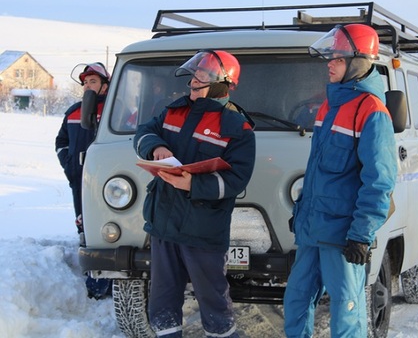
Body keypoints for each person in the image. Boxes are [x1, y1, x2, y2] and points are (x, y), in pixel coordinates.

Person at [283, 24, 397, 338]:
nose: (329, 64)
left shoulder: (371, 111)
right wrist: (301, 212)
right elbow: (318, 171)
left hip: (344, 236)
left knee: (346, 313)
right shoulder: (329, 107)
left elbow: (380, 181)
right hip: (313, 231)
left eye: (337, 58)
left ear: (358, 62)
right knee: (295, 301)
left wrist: (361, 235)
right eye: (330, 58)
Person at [134, 50, 256, 338]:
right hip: (164, 224)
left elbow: (236, 179)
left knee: (214, 305)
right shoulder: (172, 111)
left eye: (200, 79)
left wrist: (193, 185)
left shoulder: (238, 128)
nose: (192, 84)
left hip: (203, 232)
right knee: (162, 302)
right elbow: (143, 132)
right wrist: (155, 147)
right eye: (193, 78)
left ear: (220, 84)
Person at [55, 62, 112, 299]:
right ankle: (95, 284)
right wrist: (69, 165)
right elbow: (61, 142)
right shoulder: (74, 112)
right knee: (84, 226)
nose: (88, 86)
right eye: (86, 82)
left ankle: (114, 281)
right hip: (79, 180)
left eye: (93, 81)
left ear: (105, 86)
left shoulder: (116, 110)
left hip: (110, 183)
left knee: (109, 228)